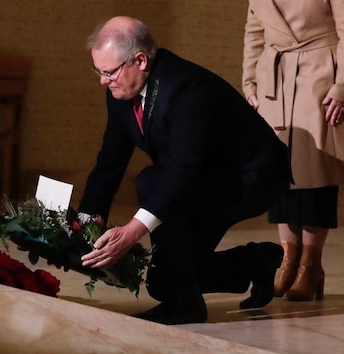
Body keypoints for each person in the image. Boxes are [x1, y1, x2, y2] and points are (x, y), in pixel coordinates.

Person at [79, 17, 291, 325]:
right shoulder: (121, 88)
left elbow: (182, 170)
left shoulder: (186, 88)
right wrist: (87, 218)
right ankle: (253, 262)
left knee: (156, 202)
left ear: (139, 60)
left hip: (249, 176)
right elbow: (111, 158)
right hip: (203, 176)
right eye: (97, 72)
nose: (102, 80)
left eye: (108, 72)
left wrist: (132, 232)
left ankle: (186, 305)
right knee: (164, 274)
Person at [243, 0, 344, 301]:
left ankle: (311, 264)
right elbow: (254, 27)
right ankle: (287, 258)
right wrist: (250, 82)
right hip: (274, 78)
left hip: (318, 75)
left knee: (314, 174)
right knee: (279, 173)